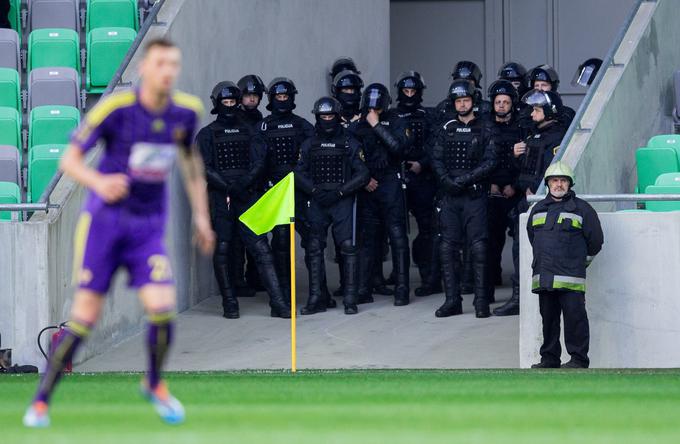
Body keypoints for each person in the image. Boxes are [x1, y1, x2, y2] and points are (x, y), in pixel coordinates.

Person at [23, 38, 215, 427]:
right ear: (144, 67)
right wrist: (99, 181)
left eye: (172, 64)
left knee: (163, 310)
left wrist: (202, 217)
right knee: (83, 320)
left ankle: (154, 383)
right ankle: (42, 400)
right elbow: (70, 159)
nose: (167, 71)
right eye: (160, 63)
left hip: (147, 228)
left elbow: (191, 164)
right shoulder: (116, 109)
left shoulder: (185, 112)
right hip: (105, 227)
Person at [195, 81, 291, 319]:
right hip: (221, 197)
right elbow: (203, 166)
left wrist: (243, 183)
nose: (229, 107)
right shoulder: (207, 134)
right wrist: (226, 186)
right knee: (224, 249)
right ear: (217, 104)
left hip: (247, 194)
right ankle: (229, 302)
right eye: (225, 103)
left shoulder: (251, 130)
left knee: (261, 248)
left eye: (232, 102)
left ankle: (278, 303)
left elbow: (260, 162)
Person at [295, 97, 369, 315]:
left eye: (330, 117)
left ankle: (349, 298)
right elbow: (298, 172)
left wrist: (340, 192)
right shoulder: (309, 144)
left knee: (347, 246)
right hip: (317, 200)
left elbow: (363, 173)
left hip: (342, 199)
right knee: (314, 247)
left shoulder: (349, 143)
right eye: (323, 117)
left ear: (337, 117)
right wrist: (315, 191)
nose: (327, 121)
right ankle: (317, 297)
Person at [497, 89, 567, 317]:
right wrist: (516, 156)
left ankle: (533, 299)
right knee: (519, 252)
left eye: (537, 110)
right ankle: (518, 298)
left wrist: (534, 187)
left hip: (543, 205)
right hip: (525, 203)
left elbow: (552, 174)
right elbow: (524, 171)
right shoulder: (533, 135)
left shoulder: (557, 138)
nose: (533, 114)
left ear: (549, 112)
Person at [431, 79, 496, 318]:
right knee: (447, 247)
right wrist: (447, 181)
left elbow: (491, 160)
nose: (462, 104)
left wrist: (466, 179)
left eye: (466, 100)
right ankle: (452, 301)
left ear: (473, 101)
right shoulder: (446, 128)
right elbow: (435, 159)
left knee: (479, 248)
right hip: (450, 196)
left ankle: (481, 302)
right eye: (458, 101)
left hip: (474, 195)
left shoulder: (486, 127)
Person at [529, 161, 603, 369]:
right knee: (548, 320)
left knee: (575, 320)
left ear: (570, 184)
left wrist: (580, 264)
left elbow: (595, 241)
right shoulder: (538, 209)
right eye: (555, 180)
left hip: (571, 278)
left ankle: (578, 359)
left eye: (563, 180)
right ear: (548, 184)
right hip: (544, 276)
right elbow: (532, 237)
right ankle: (550, 358)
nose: (558, 184)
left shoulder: (583, 209)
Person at [349, 83, 411, 307]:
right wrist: (363, 180)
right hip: (367, 186)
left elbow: (399, 148)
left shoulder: (396, 120)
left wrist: (376, 125)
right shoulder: (357, 125)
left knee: (397, 236)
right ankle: (364, 287)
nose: (374, 109)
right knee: (368, 239)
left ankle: (402, 288)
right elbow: (349, 154)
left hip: (390, 184)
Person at [256, 77, 315, 302]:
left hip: (300, 189)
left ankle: (318, 292)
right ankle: (284, 292)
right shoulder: (262, 126)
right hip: (275, 191)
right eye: (279, 97)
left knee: (311, 239)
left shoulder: (302, 125)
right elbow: (257, 159)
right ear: (272, 99)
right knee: (281, 241)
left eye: (286, 97)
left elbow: (313, 154)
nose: (283, 100)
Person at [391, 71, 440, 296]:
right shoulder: (391, 116)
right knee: (396, 229)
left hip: (423, 178)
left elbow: (436, 145)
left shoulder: (429, 116)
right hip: (397, 178)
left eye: (413, 91)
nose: (409, 95)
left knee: (427, 228)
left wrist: (422, 163)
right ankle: (398, 275)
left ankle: (428, 277)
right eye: (406, 91)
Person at [486, 80, 524, 300]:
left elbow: (529, 163)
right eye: (498, 102)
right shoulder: (485, 126)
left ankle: (518, 291)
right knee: (490, 241)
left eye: (505, 102)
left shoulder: (521, 128)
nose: (501, 105)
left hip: (513, 191)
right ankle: (490, 285)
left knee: (518, 241)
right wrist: (489, 183)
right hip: (490, 191)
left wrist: (514, 185)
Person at [236, 74, 267, 294]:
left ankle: (255, 277)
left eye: (255, 95)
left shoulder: (259, 119)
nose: (252, 99)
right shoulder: (236, 120)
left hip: (257, 182)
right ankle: (238, 281)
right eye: (248, 95)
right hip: (238, 183)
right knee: (236, 238)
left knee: (259, 232)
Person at [526, 64, 575, 129]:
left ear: (553, 87)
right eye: (536, 86)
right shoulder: (526, 113)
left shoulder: (567, 113)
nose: (540, 89)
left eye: (544, 85)